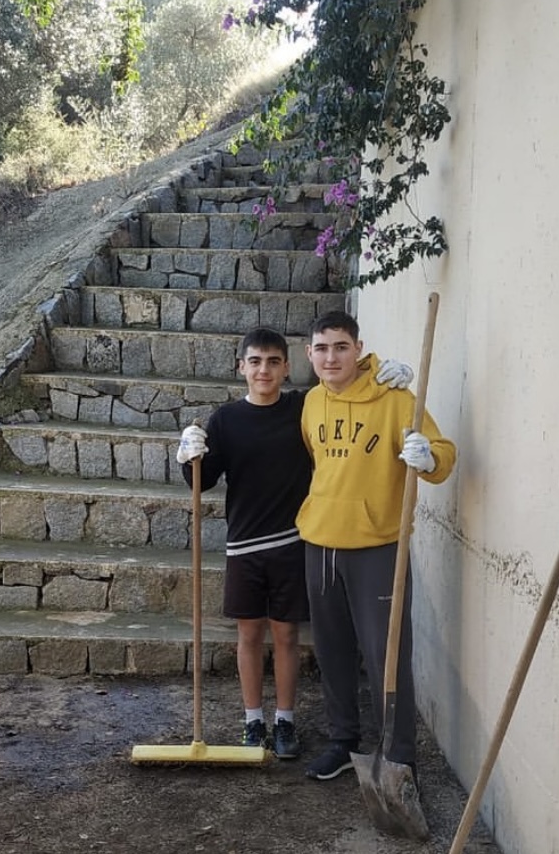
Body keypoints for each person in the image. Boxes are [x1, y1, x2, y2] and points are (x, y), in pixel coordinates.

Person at [176, 327, 413, 758]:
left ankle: (285, 721)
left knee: (286, 634)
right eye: (254, 362)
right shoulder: (226, 420)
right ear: (241, 367)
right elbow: (202, 481)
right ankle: (253, 721)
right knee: (249, 633)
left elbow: (342, 388)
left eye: (273, 362)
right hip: (243, 545)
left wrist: (379, 374)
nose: (263, 370)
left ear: (287, 367)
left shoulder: (303, 407)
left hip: (292, 540)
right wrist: (189, 456)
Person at [296, 309, 456, 783]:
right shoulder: (311, 402)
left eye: (341, 347)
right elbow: (317, 460)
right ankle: (343, 741)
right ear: (309, 354)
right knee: (332, 650)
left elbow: (444, 454)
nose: (331, 357)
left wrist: (428, 458)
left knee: (387, 654)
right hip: (320, 542)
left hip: (377, 546)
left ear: (358, 350)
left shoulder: (396, 398)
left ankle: (399, 755)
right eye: (321, 349)